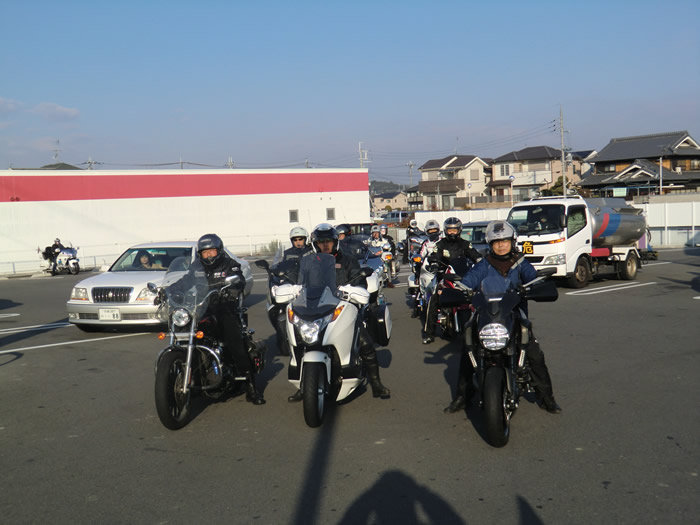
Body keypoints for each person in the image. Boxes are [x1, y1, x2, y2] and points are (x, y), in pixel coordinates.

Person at [445, 220, 561, 414]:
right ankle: (462, 397)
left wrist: (534, 287)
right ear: (490, 244)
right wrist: (461, 288)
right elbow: (470, 280)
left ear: (512, 242)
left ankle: (547, 398)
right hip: (487, 314)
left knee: (534, 353)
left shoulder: (520, 263)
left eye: (505, 241)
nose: (501, 245)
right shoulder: (484, 264)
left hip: (514, 314)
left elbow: (533, 279)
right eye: (496, 242)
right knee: (468, 351)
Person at [287, 223, 390, 401]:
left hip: (344, 307)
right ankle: (304, 386)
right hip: (315, 307)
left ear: (335, 242)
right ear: (315, 244)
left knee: (365, 343)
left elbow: (360, 282)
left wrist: (353, 289)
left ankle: (376, 383)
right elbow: (298, 281)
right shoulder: (309, 262)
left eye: (329, 241)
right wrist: (292, 288)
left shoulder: (348, 260)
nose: (325, 245)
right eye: (321, 242)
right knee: (301, 339)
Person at [171, 234, 265, 405]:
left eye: (212, 251)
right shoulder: (196, 266)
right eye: (204, 252)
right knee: (185, 331)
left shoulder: (229, 264)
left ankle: (251, 386)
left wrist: (233, 288)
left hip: (225, 308)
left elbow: (239, 280)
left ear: (219, 251)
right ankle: (193, 375)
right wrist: (170, 290)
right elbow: (186, 281)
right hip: (202, 308)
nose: (208, 255)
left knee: (234, 340)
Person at [422, 217, 481, 344]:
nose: (452, 232)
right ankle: (429, 333)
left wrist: (480, 261)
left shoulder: (465, 244)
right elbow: (435, 255)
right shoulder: (440, 244)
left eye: (454, 230)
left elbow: (474, 255)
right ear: (445, 231)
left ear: (459, 230)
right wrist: (434, 264)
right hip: (445, 275)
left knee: (480, 296)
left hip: (464, 276)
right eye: (450, 230)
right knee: (433, 299)